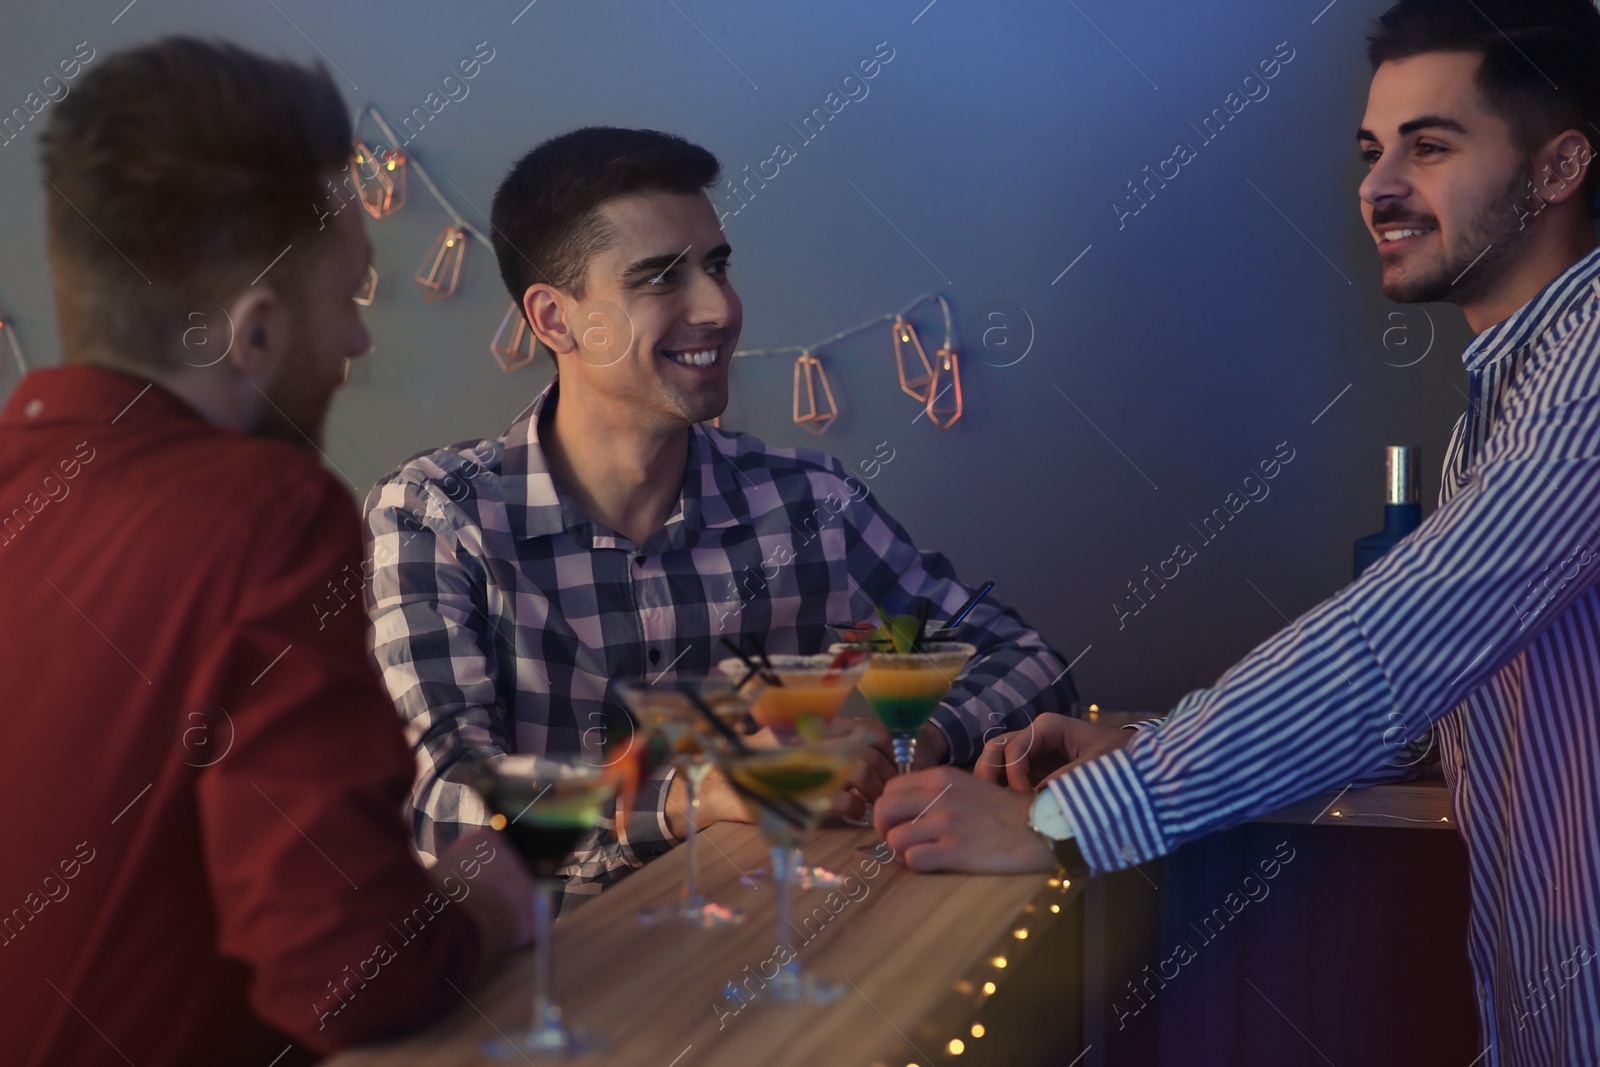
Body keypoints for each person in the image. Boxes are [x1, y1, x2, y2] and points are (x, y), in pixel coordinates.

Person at [875, 1, 1600, 1062]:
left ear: (1558, 166)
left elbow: (1389, 649)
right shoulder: (1506, 397)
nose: (1378, 186)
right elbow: (1453, 689)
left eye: (1430, 145)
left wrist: (1060, 822)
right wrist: (1139, 741)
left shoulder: (1586, 378)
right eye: (1371, 150)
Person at [362, 126, 1078, 898]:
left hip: (767, 958)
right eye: (661, 279)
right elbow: (447, 803)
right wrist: (695, 795)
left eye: (717, 266)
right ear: (554, 318)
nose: (720, 307)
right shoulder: (439, 513)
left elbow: (1031, 663)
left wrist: (916, 732)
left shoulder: (810, 505)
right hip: (535, 981)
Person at [0, 39, 537, 1067]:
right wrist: (482, 902)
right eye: (351, 298)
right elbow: (345, 976)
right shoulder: (271, 518)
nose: (356, 343)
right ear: (250, 335)